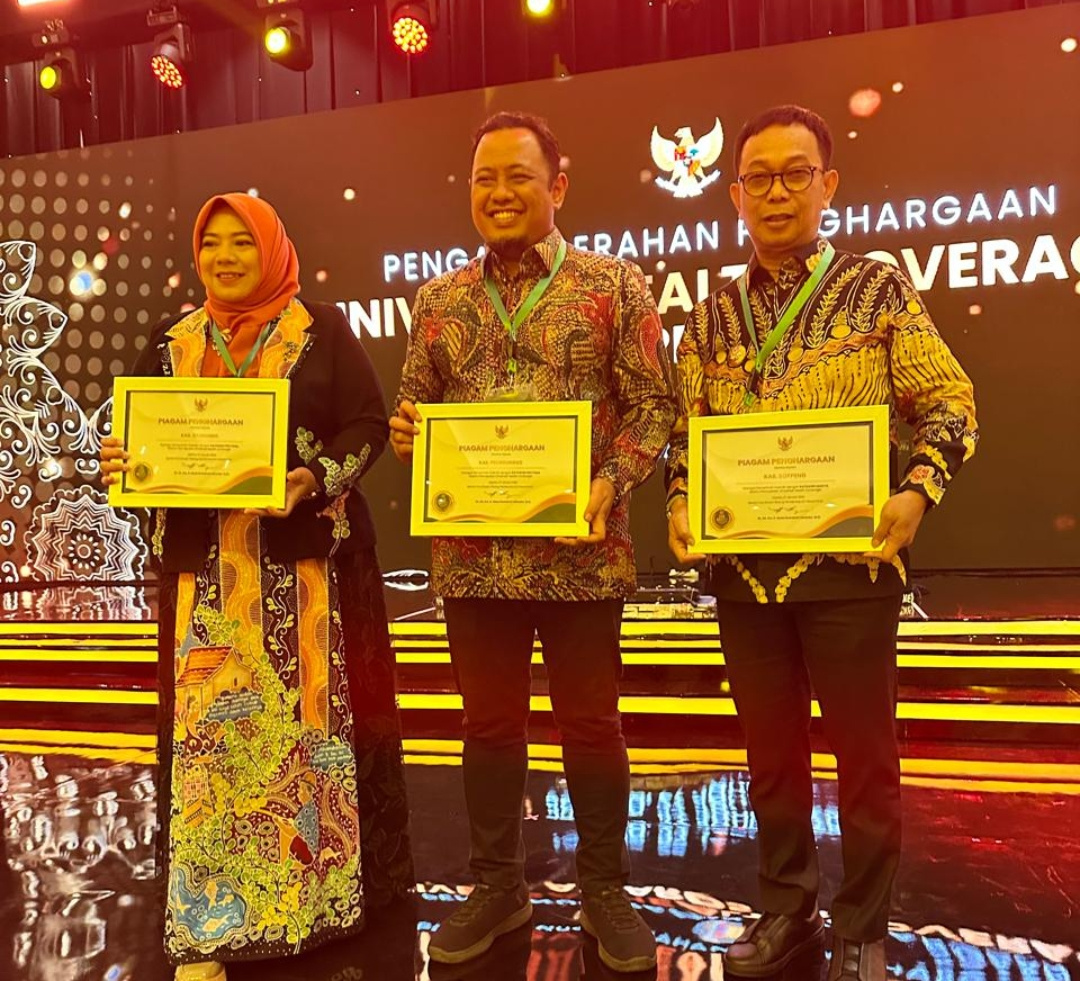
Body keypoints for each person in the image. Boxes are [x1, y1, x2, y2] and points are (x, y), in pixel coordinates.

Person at [665, 106, 978, 981]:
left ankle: (863, 924)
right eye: (758, 177)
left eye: (795, 173)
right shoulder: (711, 315)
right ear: (734, 195)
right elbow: (687, 432)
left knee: (865, 759)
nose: (777, 192)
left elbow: (950, 401)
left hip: (851, 568)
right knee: (770, 760)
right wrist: (681, 500)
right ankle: (786, 905)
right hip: (745, 577)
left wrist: (917, 490)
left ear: (828, 184)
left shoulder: (877, 290)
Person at [101, 193, 414, 981]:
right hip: (204, 586)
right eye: (212, 243)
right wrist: (122, 463)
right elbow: (139, 444)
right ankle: (211, 919)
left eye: (242, 242)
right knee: (211, 750)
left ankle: (320, 902)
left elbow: (369, 426)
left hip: (307, 580)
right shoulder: (169, 342)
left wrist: (313, 476)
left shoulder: (322, 330)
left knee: (306, 739)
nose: (225, 257)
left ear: (272, 249)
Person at [389, 111, 675, 973]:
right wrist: (409, 434)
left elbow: (655, 406)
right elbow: (413, 406)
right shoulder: (437, 299)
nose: (500, 192)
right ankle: (497, 886)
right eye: (485, 178)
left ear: (558, 185)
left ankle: (604, 889)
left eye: (518, 175)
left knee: (591, 725)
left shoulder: (614, 285)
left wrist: (610, 480)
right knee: (487, 727)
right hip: (474, 561)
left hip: (584, 555)